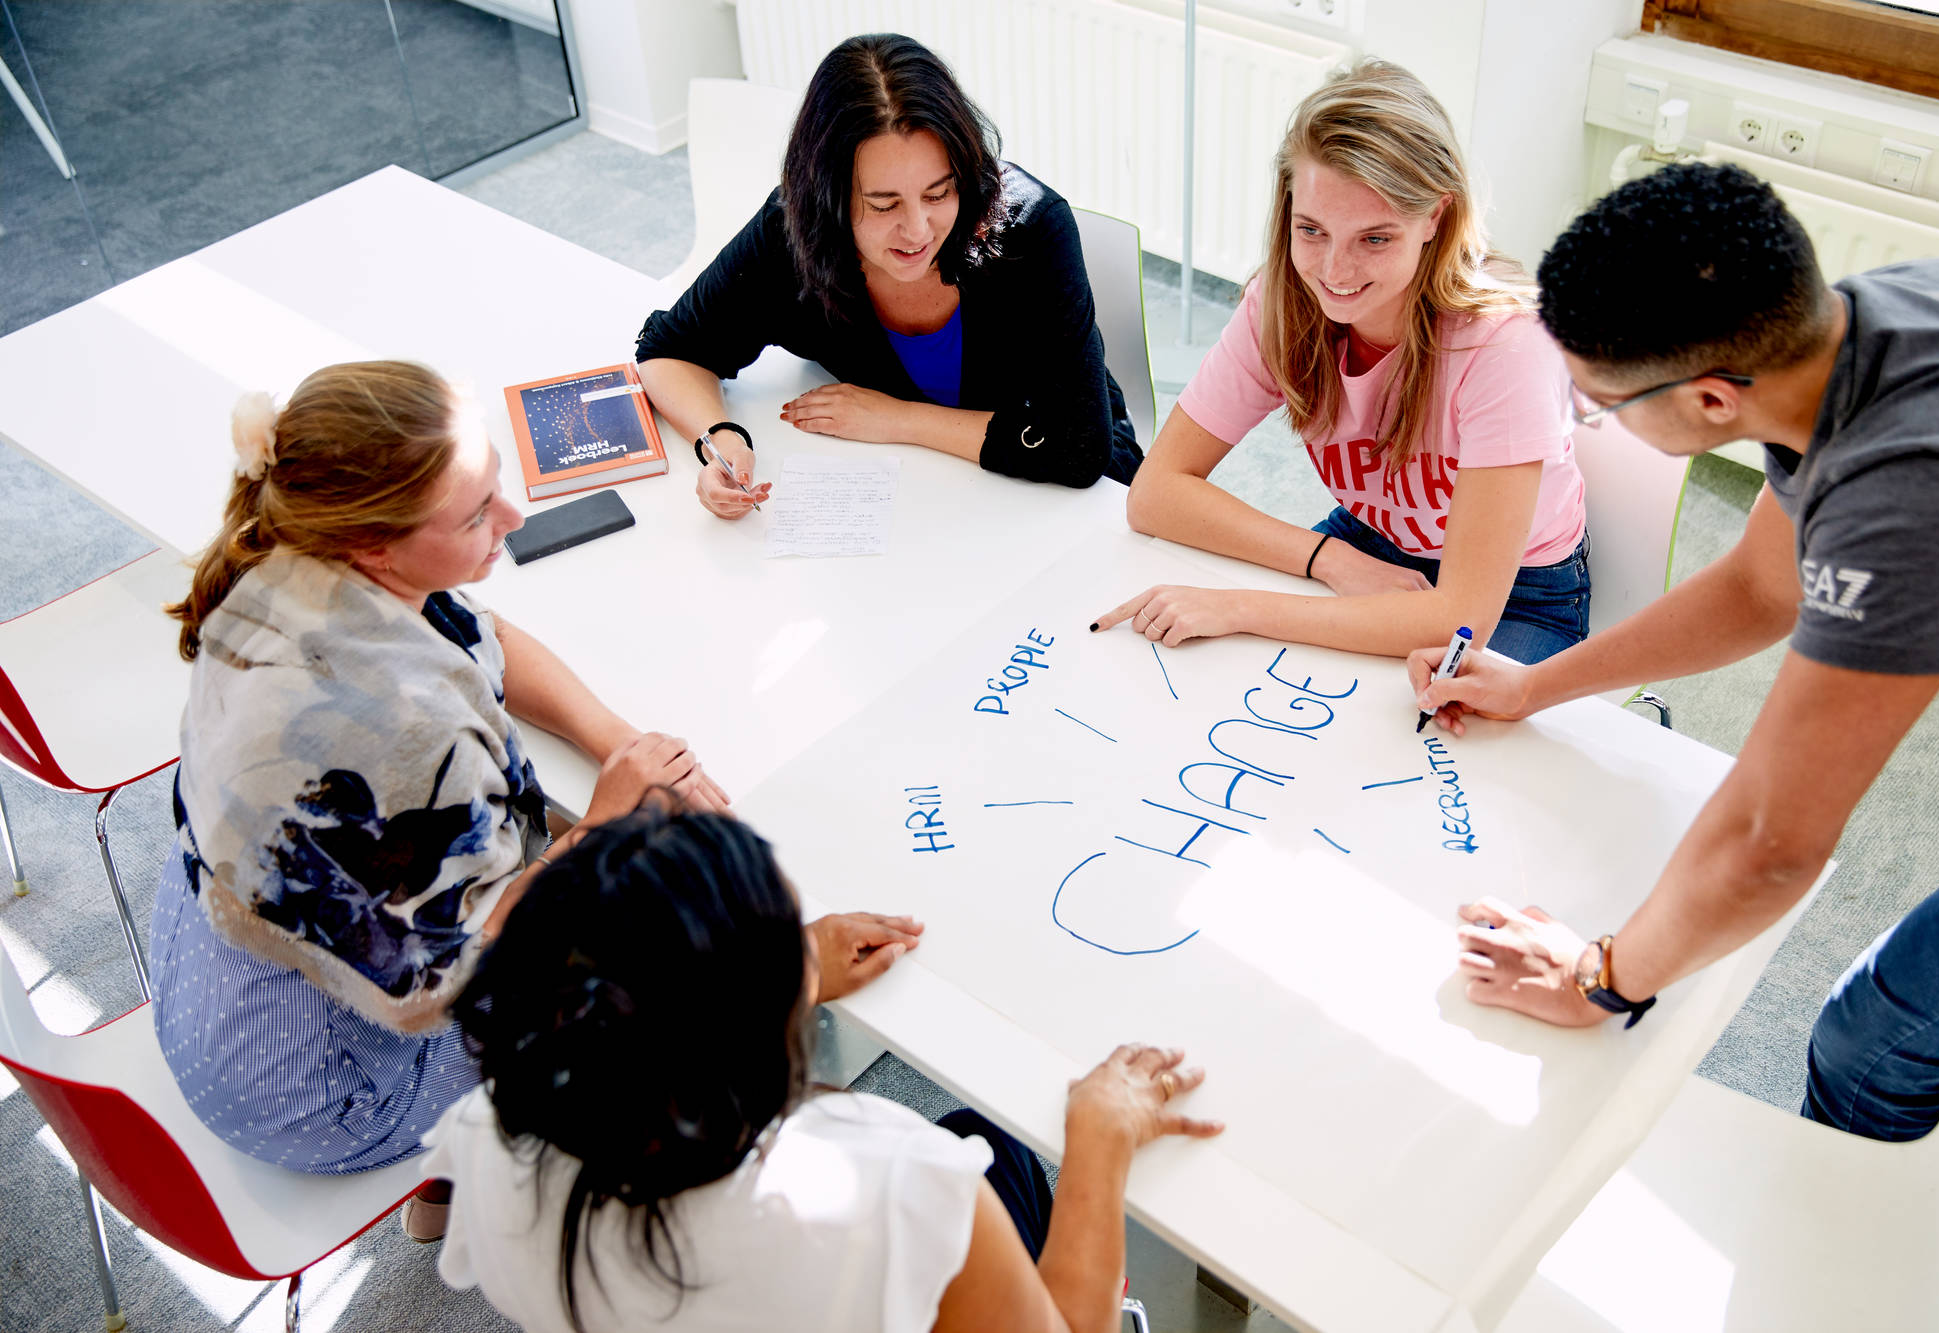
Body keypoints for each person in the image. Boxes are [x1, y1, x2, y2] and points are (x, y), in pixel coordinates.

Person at [149, 362, 909, 1234]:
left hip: (223, 990)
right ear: (375, 544)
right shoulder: (400, 727)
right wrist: (603, 820)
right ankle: (785, 998)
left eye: (495, 487)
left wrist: (614, 742)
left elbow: (484, 633)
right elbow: (460, 973)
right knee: (646, 936)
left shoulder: (291, 555)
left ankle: (448, 1184)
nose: (511, 521)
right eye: (475, 514)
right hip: (330, 1088)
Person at [1415, 162, 1939, 1142]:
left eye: (1596, 404)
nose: (1586, 417)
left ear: (1712, 401)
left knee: (1878, 1032)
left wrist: (1598, 979)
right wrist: (1538, 686)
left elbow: (1772, 844)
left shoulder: (1903, 501)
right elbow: (1757, 588)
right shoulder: (1856, 326)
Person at [427, 806, 1222, 1333]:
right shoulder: (897, 1180)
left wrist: (783, 970)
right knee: (997, 1146)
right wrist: (1101, 1142)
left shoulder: (485, 1139)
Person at [1095, 60, 1589, 664]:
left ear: (1435, 216)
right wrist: (1330, 558)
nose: (1334, 273)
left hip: (1518, 594)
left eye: (1374, 239)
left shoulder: (1505, 344)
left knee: (1423, 734)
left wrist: (1238, 605)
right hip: (1367, 541)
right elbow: (1154, 496)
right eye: (1311, 230)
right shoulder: (1280, 305)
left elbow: (1456, 623)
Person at [635, 32, 1142, 517]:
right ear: (827, 199)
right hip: (917, 496)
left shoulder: (1029, 228)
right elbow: (672, 349)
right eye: (883, 204)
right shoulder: (793, 233)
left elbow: (1077, 448)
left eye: (939, 193)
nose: (917, 230)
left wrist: (894, 418)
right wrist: (719, 439)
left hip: (1061, 497)